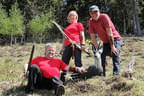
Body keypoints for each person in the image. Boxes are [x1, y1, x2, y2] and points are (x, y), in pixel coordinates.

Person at [88, 5, 123, 76]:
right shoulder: (91, 22)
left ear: (99, 11)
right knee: (101, 56)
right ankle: (102, 74)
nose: (94, 14)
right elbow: (93, 37)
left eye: (96, 12)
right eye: (92, 13)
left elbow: (109, 33)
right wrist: (98, 49)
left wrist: (112, 46)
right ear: (90, 14)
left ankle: (116, 75)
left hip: (115, 39)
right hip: (105, 42)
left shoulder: (104, 17)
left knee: (114, 53)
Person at [60, 10, 86, 82]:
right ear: (68, 17)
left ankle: (78, 76)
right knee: (64, 61)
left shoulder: (79, 24)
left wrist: (83, 44)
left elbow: (82, 35)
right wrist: (62, 48)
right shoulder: (66, 28)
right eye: (70, 15)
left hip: (76, 44)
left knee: (78, 61)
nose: (72, 16)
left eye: (73, 15)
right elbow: (64, 39)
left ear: (76, 17)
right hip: (67, 45)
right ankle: (63, 77)